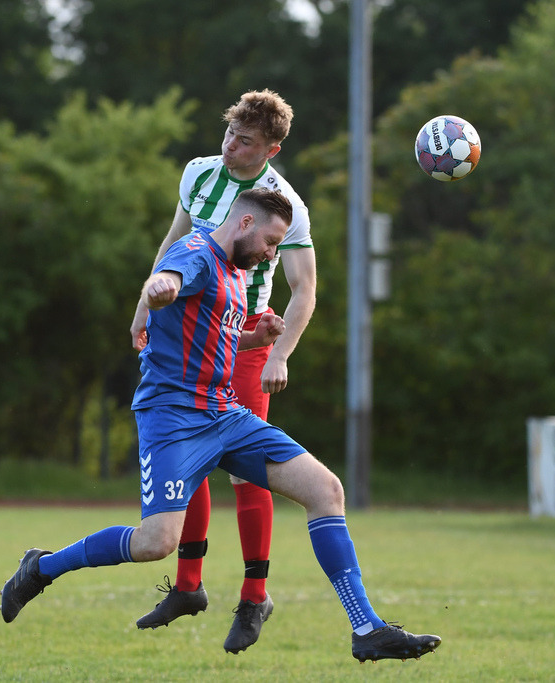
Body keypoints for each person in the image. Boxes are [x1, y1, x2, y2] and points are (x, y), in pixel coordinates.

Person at [1, 189, 441, 663]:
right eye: (272, 242)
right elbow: (169, 277)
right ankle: (42, 568)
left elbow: (215, 337)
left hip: (224, 413)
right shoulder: (195, 252)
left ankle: (366, 628)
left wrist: (256, 337)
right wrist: (159, 288)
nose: (273, 254)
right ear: (246, 222)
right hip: (172, 420)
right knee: (157, 543)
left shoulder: (236, 274)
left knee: (326, 490)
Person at [128, 90, 316, 653]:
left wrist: (280, 355)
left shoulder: (287, 203)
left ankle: (255, 595)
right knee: (191, 460)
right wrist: (143, 304)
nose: (232, 145)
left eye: (247, 141)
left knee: (247, 471)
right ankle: (188, 587)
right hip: (188, 332)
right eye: (231, 132)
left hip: (248, 337)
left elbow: (304, 287)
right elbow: (174, 241)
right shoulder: (198, 173)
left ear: (272, 149)